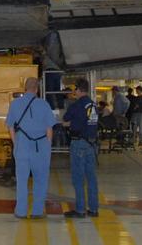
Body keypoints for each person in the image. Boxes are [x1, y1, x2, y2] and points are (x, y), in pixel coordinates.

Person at [6, 76, 57, 219]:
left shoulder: (15, 104)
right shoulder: (44, 105)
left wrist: (17, 143)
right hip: (40, 147)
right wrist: (47, 146)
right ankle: (37, 212)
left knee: (21, 181)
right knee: (40, 180)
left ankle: (21, 211)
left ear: (25, 88)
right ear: (37, 89)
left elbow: (10, 127)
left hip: (22, 145)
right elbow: (49, 129)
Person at [61, 77, 99, 219]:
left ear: (78, 89)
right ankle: (94, 209)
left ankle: (80, 209)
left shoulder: (76, 106)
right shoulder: (92, 105)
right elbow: (88, 122)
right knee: (91, 178)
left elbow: (65, 120)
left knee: (78, 177)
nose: (73, 92)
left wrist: (69, 123)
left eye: (74, 89)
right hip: (91, 144)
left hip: (78, 143)